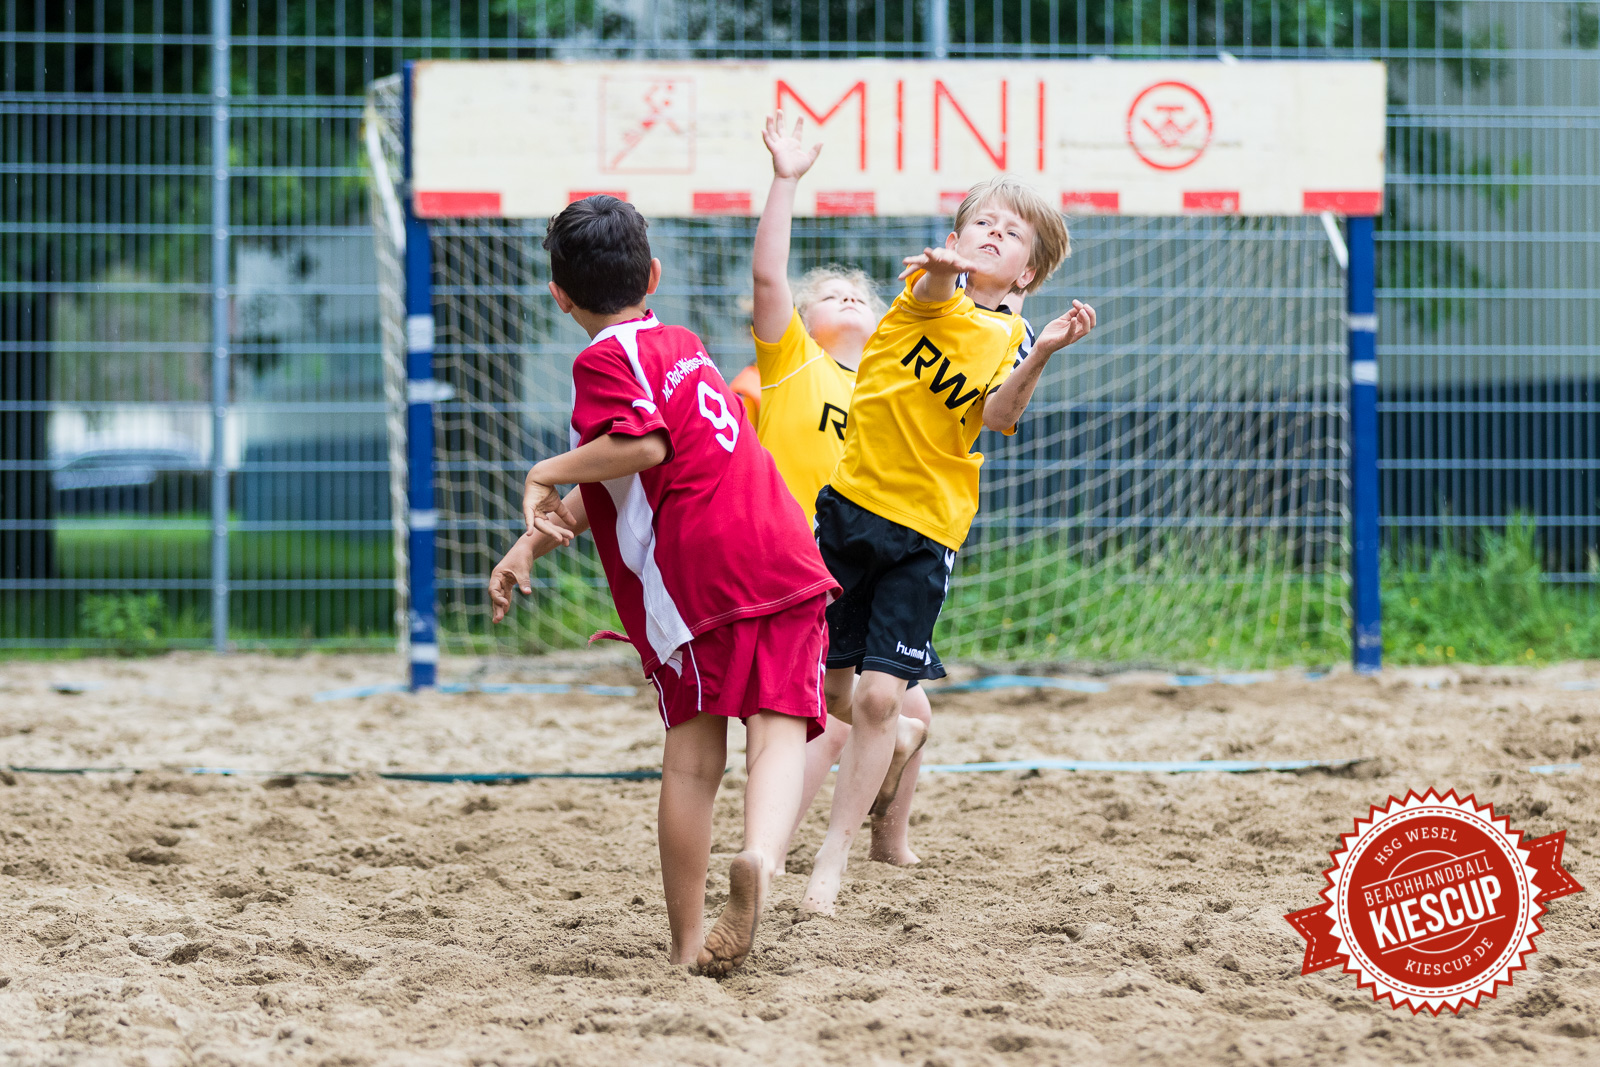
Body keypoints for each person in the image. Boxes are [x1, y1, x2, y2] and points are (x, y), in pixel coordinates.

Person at [486, 195, 838, 977]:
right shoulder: (680, 341)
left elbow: (638, 447)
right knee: (780, 723)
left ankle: (685, 948)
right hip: (779, 541)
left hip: (700, 570)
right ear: (653, 274)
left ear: (559, 295)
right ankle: (760, 861)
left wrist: (545, 468)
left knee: (692, 759)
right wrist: (530, 545)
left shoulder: (601, 358)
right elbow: (626, 467)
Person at [801, 176, 1098, 915]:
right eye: (983, 223)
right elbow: (937, 292)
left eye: (1013, 232)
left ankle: (830, 860)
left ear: (1026, 272)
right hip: (850, 512)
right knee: (836, 696)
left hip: (929, 532)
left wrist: (1047, 350)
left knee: (872, 695)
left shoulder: (1016, 333)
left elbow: (999, 415)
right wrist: (939, 265)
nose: (994, 233)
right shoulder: (921, 293)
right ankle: (903, 739)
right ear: (958, 238)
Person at [744, 111, 931, 867]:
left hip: (878, 555)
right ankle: (779, 846)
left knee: (911, 706)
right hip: (799, 562)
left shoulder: (893, 384)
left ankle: (891, 838)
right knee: (825, 712)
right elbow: (767, 275)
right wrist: (787, 179)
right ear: (802, 319)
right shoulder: (793, 363)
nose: (851, 297)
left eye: (863, 295)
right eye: (831, 294)